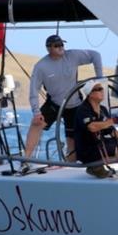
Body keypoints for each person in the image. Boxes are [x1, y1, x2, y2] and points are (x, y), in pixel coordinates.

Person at [23, 35, 103, 171]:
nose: (61, 47)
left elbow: (96, 55)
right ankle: (25, 160)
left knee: (72, 137)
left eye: (61, 44)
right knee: (36, 124)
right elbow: (33, 90)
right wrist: (36, 112)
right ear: (48, 49)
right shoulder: (41, 66)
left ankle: (70, 167)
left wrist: (99, 78)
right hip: (55, 103)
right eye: (56, 45)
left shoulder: (72, 55)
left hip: (75, 104)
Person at [74, 79, 118, 178]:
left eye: (102, 89)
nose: (102, 91)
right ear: (90, 94)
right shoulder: (82, 110)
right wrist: (113, 120)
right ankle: (94, 167)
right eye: (99, 89)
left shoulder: (103, 110)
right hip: (87, 149)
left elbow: (111, 130)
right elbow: (92, 127)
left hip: (99, 144)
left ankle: (97, 166)